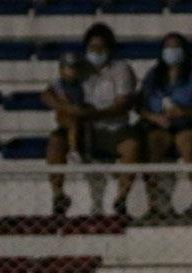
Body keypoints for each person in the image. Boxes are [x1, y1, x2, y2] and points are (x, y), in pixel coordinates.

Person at [42, 23, 140, 216]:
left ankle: (121, 199)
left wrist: (92, 114)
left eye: (100, 48)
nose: (96, 52)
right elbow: (48, 94)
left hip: (112, 127)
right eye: (92, 48)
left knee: (131, 146)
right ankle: (58, 196)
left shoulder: (121, 69)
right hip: (80, 126)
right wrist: (67, 108)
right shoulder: (78, 68)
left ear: (110, 49)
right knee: (55, 142)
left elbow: (123, 103)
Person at [138, 33, 192, 219]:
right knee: (152, 144)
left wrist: (184, 112)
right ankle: (155, 204)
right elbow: (140, 106)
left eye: (176, 47)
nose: (172, 51)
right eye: (168, 47)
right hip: (159, 125)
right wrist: (154, 117)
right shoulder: (153, 76)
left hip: (187, 124)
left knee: (187, 142)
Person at [52, 52, 86, 163]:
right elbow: (63, 100)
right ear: (61, 70)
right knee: (73, 124)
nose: (72, 71)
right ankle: (73, 150)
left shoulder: (80, 84)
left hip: (79, 113)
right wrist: (72, 108)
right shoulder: (59, 84)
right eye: (69, 68)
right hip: (65, 113)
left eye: (74, 68)